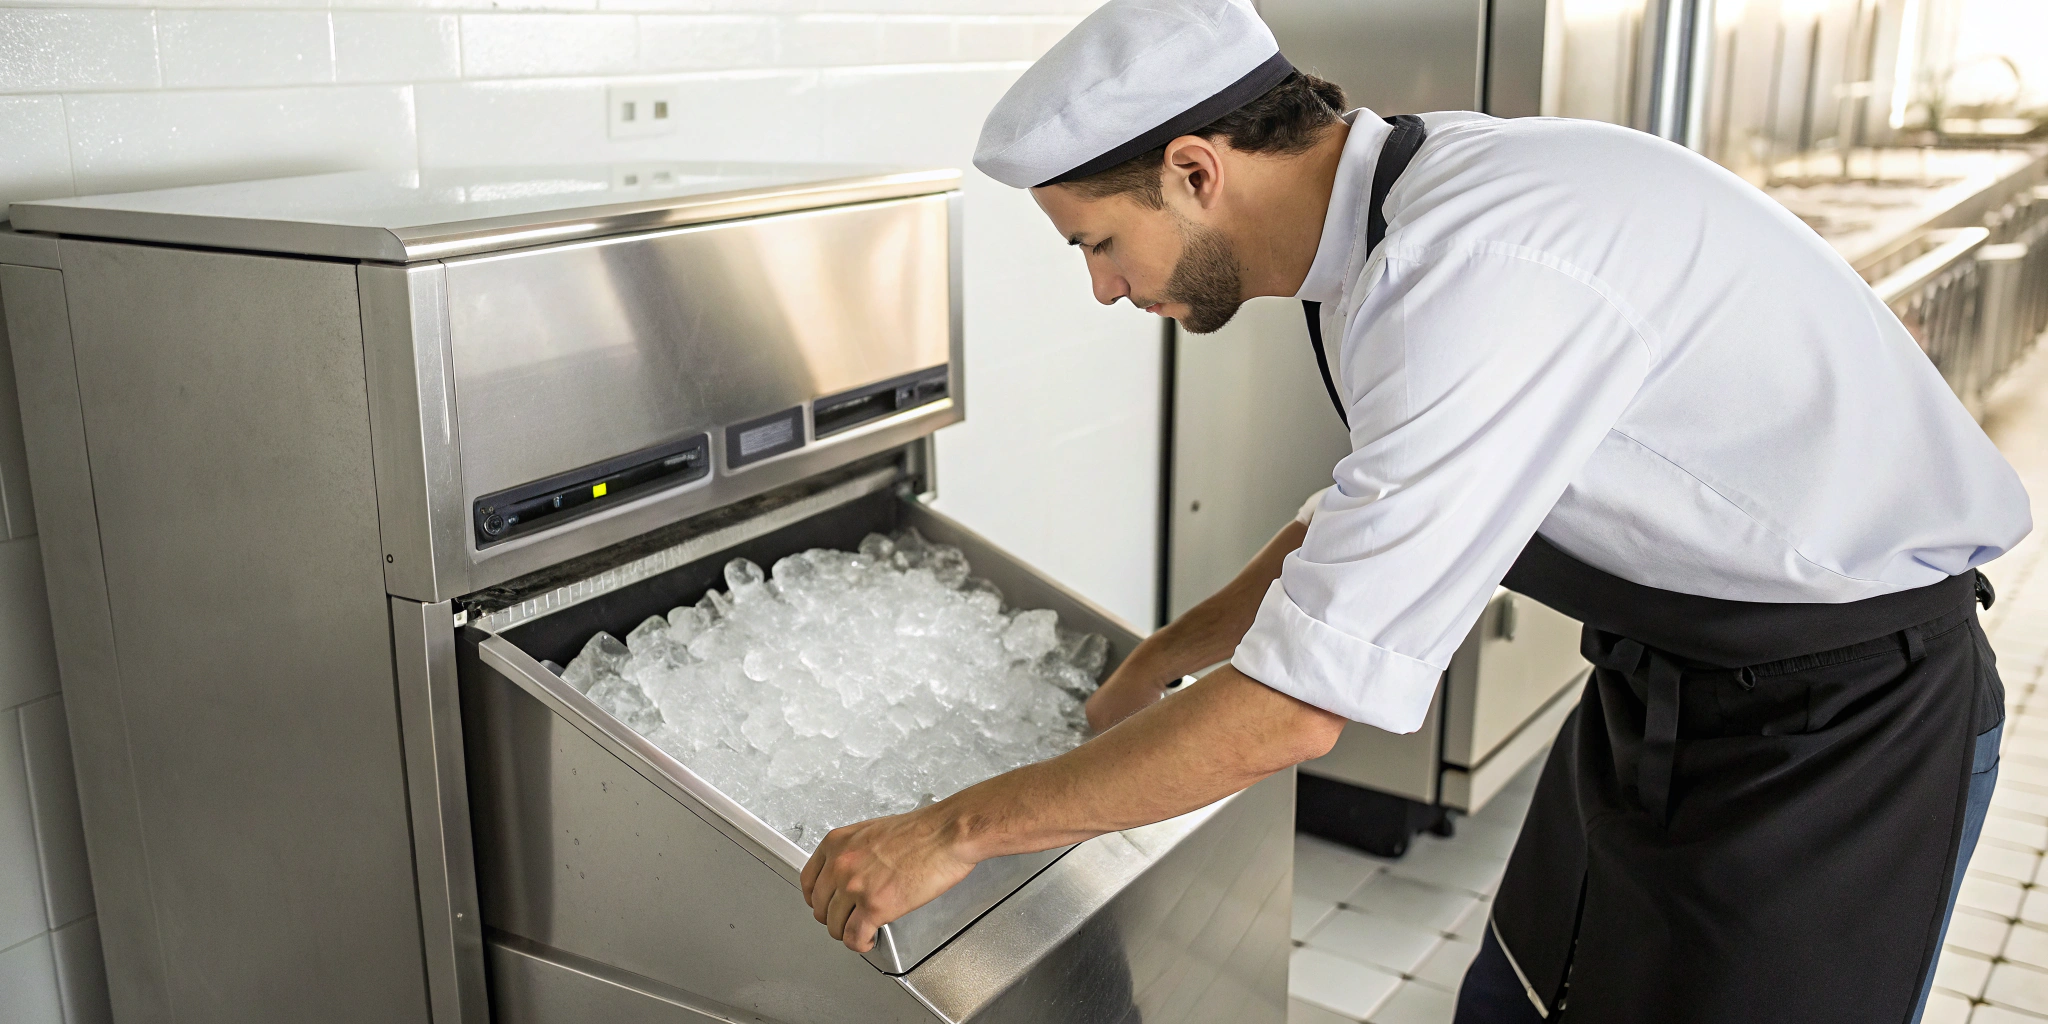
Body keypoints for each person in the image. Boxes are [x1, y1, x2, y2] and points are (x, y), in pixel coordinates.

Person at [798, 1, 2033, 1019]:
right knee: (1522, 1001)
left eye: (1098, 241)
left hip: (1845, 729)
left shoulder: (1471, 266)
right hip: (1666, 695)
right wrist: (1165, 657)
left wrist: (953, 830)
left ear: (1193, 170)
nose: (1103, 288)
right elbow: (1351, 525)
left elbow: (1291, 714)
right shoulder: (1384, 233)